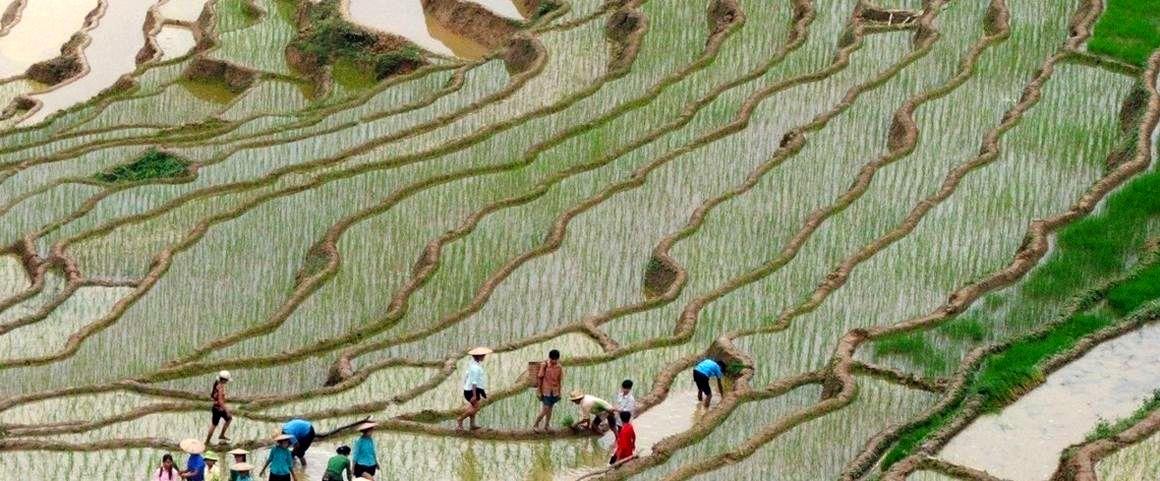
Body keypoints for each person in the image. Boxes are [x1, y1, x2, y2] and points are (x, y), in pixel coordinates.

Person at [456, 347, 491, 430]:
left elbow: (467, 377)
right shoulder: (475, 368)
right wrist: (474, 396)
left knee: (473, 407)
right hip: (472, 391)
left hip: (470, 390)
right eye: (483, 356)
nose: (484, 357)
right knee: (475, 408)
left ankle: (472, 425)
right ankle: (460, 419)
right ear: (479, 356)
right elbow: (474, 382)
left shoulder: (473, 364)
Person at [532, 349, 564, 431]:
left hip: (555, 391)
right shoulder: (545, 365)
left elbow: (559, 381)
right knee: (545, 409)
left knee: (550, 410)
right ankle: (536, 424)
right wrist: (539, 391)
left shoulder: (559, 367)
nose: (554, 361)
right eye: (552, 359)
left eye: (556, 359)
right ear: (550, 358)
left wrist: (560, 393)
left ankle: (546, 425)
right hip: (546, 391)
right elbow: (540, 378)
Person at [206, 371, 233, 445]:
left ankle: (208, 441)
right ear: (223, 380)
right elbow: (220, 401)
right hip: (219, 409)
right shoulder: (220, 387)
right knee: (228, 418)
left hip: (215, 408)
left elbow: (214, 397)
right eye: (227, 380)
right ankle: (210, 440)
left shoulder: (216, 384)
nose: (227, 381)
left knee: (215, 424)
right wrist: (226, 410)